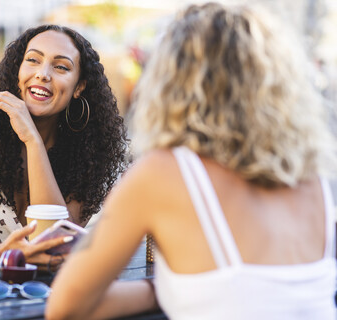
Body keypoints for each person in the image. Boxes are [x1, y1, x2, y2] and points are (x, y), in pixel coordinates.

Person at [46, 3, 336, 320]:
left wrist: (163, 290)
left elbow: (66, 306)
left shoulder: (165, 172)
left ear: (172, 80)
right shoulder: (312, 177)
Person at [0, 25, 128, 267]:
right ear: (17, 71)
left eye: (61, 66)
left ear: (79, 87)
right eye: (33, 60)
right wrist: (2, 255)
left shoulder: (91, 156)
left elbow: (55, 242)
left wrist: (33, 141)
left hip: (45, 296)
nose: (43, 74)